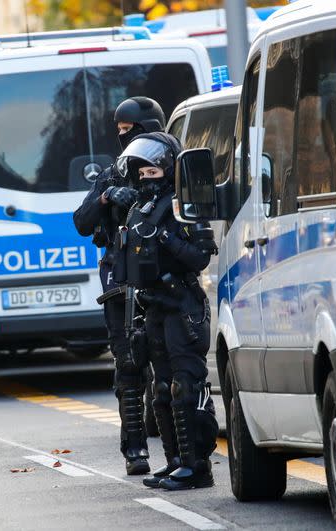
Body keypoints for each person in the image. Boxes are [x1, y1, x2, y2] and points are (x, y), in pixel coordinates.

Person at [114, 132, 218, 490]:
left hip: (183, 306)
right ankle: (175, 461)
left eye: (153, 173)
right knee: (160, 390)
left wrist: (164, 237)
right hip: (154, 306)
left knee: (184, 387)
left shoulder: (183, 204)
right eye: (141, 174)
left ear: (169, 171)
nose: (145, 179)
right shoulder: (137, 209)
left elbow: (201, 257)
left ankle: (197, 466)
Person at [73, 97, 166, 475]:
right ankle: (135, 450)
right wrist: (108, 195)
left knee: (170, 368)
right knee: (129, 367)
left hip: (162, 277)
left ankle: (180, 457)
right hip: (121, 281)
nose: (124, 138)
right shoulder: (113, 172)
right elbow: (81, 220)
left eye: (130, 131)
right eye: (121, 132)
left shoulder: (169, 168)